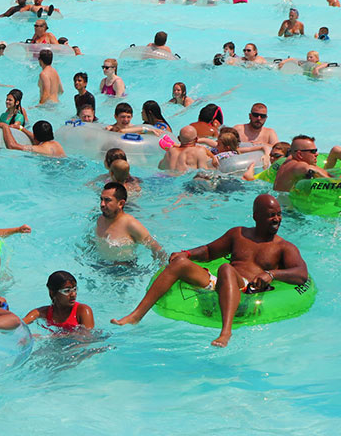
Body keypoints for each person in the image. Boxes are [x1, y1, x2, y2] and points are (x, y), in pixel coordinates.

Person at [111, 194, 309, 348]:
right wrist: (186, 253)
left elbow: (301, 274)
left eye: (279, 214)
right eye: (271, 215)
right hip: (222, 283)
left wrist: (271, 274)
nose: (277, 219)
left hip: (248, 291)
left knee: (226, 269)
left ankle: (226, 332)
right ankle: (136, 315)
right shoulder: (239, 234)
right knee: (180, 265)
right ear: (256, 216)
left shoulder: (284, 247)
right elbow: (209, 251)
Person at [95, 182, 165, 263]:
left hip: (125, 271)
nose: (102, 204)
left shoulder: (131, 225)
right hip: (100, 264)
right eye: (101, 199)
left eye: (107, 200)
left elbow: (157, 249)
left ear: (120, 203)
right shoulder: (100, 219)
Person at [23, 271, 95, 331]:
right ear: (53, 293)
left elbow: (87, 338)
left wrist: (51, 337)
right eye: (67, 291)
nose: (73, 294)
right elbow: (19, 324)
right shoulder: (42, 313)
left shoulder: (83, 311)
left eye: (75, 289)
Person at [273, 135, 341, 192]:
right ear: (300, 154)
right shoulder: (299, 166)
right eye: (313, 151)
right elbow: (308, 168)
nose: (317, 154)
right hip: (287, 206)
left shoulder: (290, 159)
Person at [0, 120, 65, 158]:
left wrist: (5, 127)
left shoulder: (39, 148)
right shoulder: (56, 144)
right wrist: (21, 128)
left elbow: (12, 146)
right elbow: (36, 138)